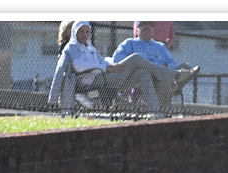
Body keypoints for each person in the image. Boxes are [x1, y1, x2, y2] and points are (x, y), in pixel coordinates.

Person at [48, 21, 193, 116]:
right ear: (74, 32)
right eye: (81, 31)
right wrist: (52, 99)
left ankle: (154, 113)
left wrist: (110, 65)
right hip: (94, 80)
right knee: (136, 58)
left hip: (107, 78)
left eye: (87, 31)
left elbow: (103, 62)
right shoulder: (71, 48)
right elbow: (77, 67)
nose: (84, 35)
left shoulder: (90, 48)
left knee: (142, 73)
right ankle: (173, 75)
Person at [112, 21, 199, 102]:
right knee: (143, 68)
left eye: (149, 28)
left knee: (186, 66)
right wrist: (140, 62)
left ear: (153, 31)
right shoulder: (130, 43)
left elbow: (173, 63)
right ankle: (173, 79)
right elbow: (116, 58)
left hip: (161, 79)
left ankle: (172, 87)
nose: (146, 31)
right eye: (144, 28)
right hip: (141, 79)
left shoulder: (160, 46)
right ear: (137, 31)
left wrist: (166, 66)